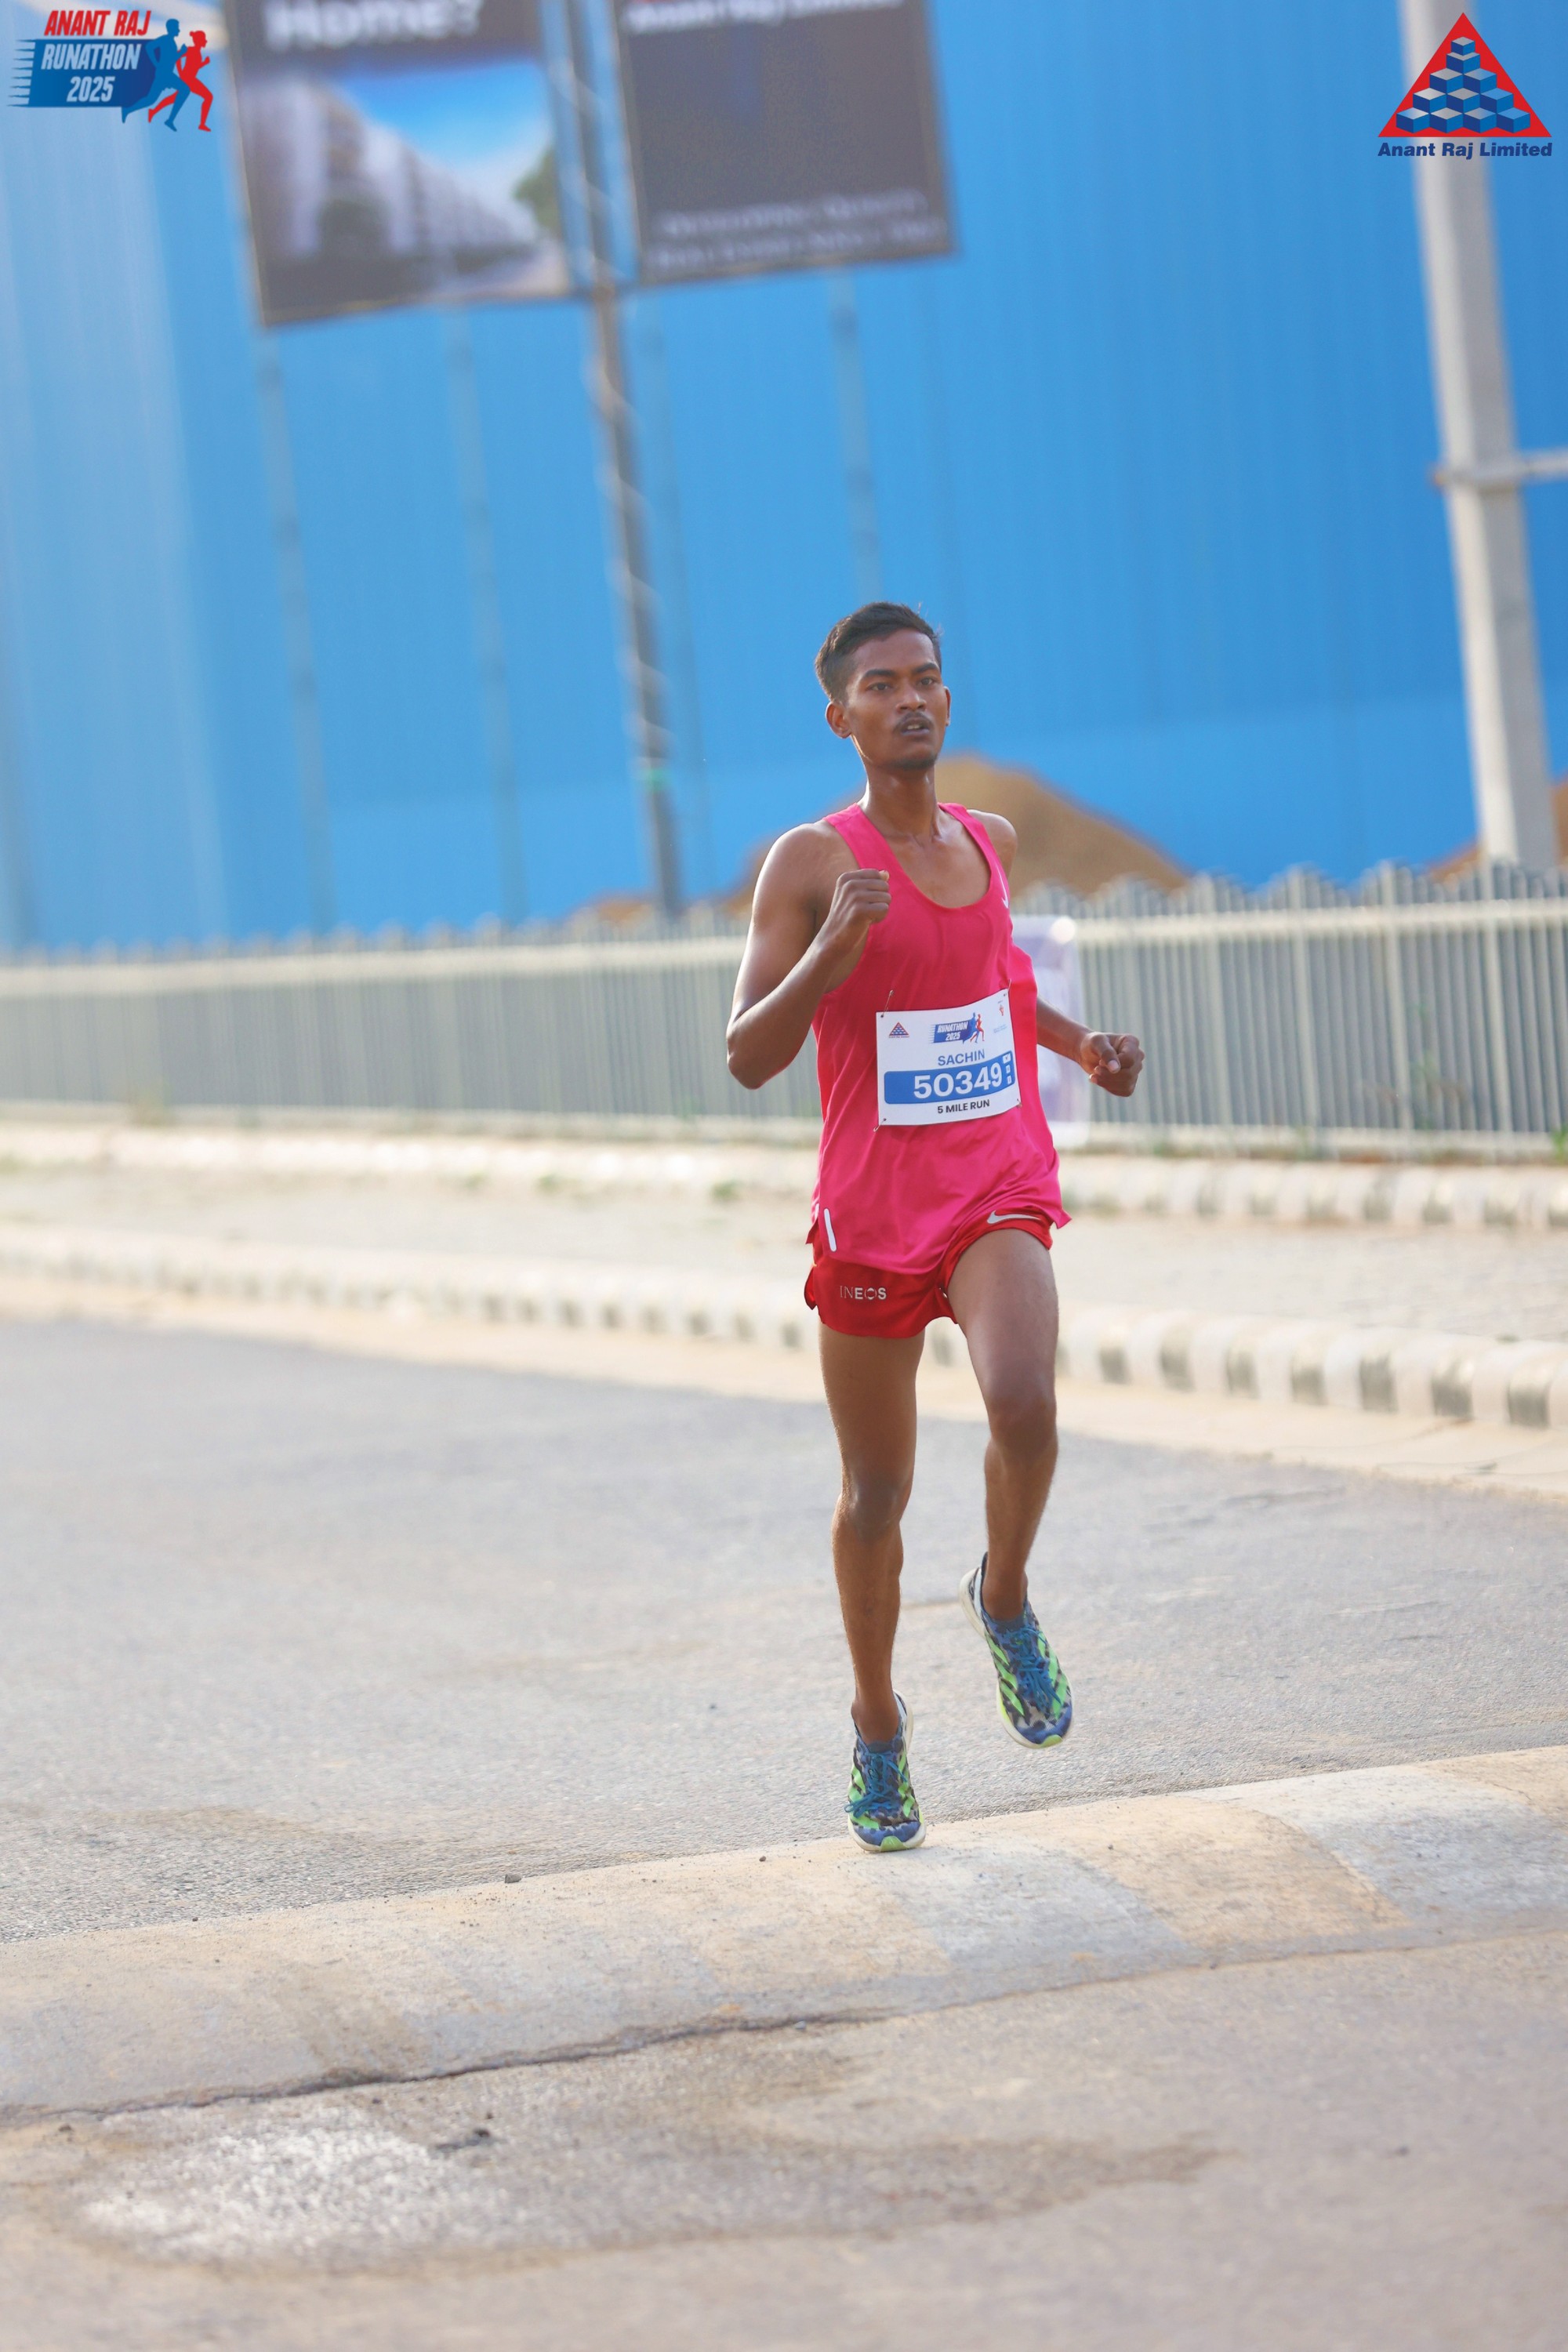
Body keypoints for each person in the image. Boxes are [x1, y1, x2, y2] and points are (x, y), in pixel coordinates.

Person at [727, 603, 1144, 1852]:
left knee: (1025, 1403)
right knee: (876, 1493)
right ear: (841, 716)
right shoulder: (811, 862)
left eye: (926, 680)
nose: (909, 698)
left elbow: (993, 987)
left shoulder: (989, 842)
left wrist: (1081, 1045)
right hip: (871, 1212)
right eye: (882, 685)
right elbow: (747, 1052)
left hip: (992, 1180)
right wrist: (832, 947)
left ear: (947, 702)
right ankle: (877, 1726)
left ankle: (1003, 1596)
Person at [150, 24, 213, 131]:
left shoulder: (198, 53)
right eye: (204, 39)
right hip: (188, 79)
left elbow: (195, 67)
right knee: (208, 97)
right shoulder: (190, 50)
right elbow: (177, 57)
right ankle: (201, 124)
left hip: (191, 79)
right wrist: (180, 72)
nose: (206, 41)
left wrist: (204, 63)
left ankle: (154, 112)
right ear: (199, 41)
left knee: (173, 99)